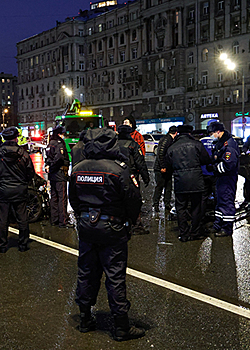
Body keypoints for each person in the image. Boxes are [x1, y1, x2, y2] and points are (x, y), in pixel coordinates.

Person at [69, 128, 145, 342]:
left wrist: (83, 217)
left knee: (86, 271)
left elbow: (73, 199)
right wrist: (127, 222)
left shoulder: (78, 168)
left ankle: (85, 319)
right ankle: (121, 326)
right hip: (112, 228)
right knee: (115, 276)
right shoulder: (118, 169)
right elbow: (133, 200)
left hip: (86, 226)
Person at [0, 127, 35, 253]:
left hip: (3, 190)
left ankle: (2, 245)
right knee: (22, 217)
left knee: (3, 218)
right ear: (16, 138)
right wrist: (23, 182)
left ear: (3, 138)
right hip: (20, 189)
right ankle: (23, 244)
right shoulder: (23, 154)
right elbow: (30, 173)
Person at [165, 125, 212, 242]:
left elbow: (167, 166)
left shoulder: (172, 148)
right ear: (190, 133)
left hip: (180, 181)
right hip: (196, 180)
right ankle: (195, 231)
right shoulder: (197, 145)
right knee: (196, 207)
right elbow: (206, 160)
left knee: (181, 207)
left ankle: (184, 233)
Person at [207, 122, 240, 237]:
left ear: (218, 131)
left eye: (212, 133)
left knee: (226, 202)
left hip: (227, 178)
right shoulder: (220, 143)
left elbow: (229, 165)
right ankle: (218, 225)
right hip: (221, 179)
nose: (212, 136)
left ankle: (227, 228)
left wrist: (214, 168)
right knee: (220, 202)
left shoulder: (229, 145)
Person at [116, 124, 150, 235]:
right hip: (131, 176)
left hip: (115, 176)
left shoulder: (112, 145)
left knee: (119, 200)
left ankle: (120, 223)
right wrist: (146, 177)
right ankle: (136, 226)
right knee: (134, 200)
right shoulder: (132, 145)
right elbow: (140, 163)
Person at [45, 125, 72, 228]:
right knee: (62, 197)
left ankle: (54, 219)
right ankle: (63, 221)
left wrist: (48, 166)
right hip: (59, 173)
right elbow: (59, 157)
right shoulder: (59, 143)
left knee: (54, 197)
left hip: (52, 174)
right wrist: (53, 166)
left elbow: (48, 157)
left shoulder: (50, 143)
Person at [152, 126, 177, 212]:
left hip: (166, 168)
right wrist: (162, 166)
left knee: (168, 187)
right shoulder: (167, 140)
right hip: (161, 169)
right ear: (176, 133)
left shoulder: (166, 139)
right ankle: (156, 204)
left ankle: (166, 203)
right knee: (160, 186)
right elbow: (161, 153)